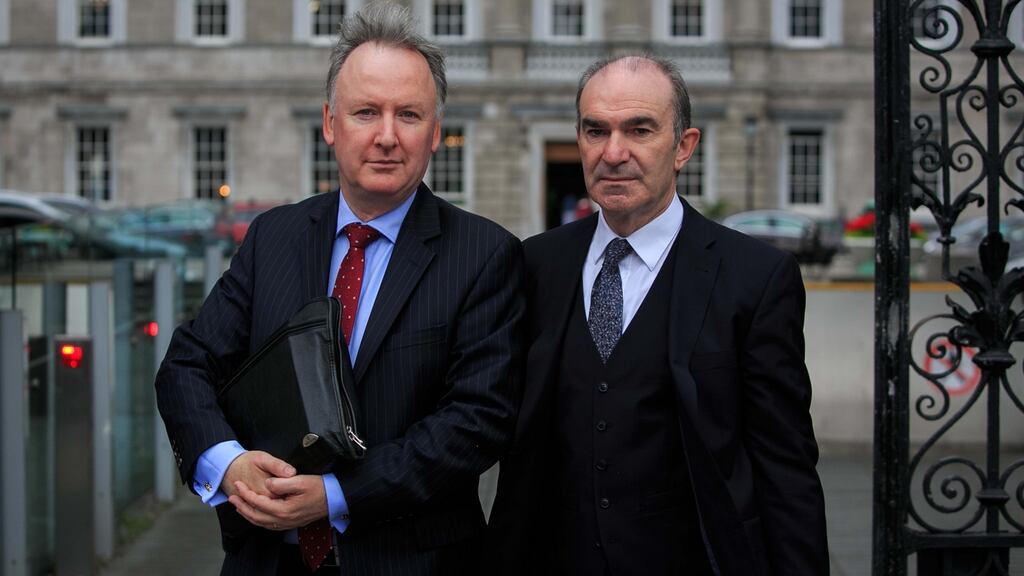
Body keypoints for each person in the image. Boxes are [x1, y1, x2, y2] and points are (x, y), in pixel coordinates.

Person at [154, 3, 524, 575]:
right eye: (365, 112)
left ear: (435, 135)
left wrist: (334, 494)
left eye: (408, 115)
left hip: (412, 561)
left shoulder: (484, 254)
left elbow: (475, 423)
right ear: (330, 124)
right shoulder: (273, 237)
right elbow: (188, 365)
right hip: (265, 560)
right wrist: (228, 465)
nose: (386, 136)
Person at [486, 55, 828, 575]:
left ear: (684, 146)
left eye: (639, 129)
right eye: (595, 131)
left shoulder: (755, 276)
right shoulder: (536, 263)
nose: (613, 152)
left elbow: (785, 467)